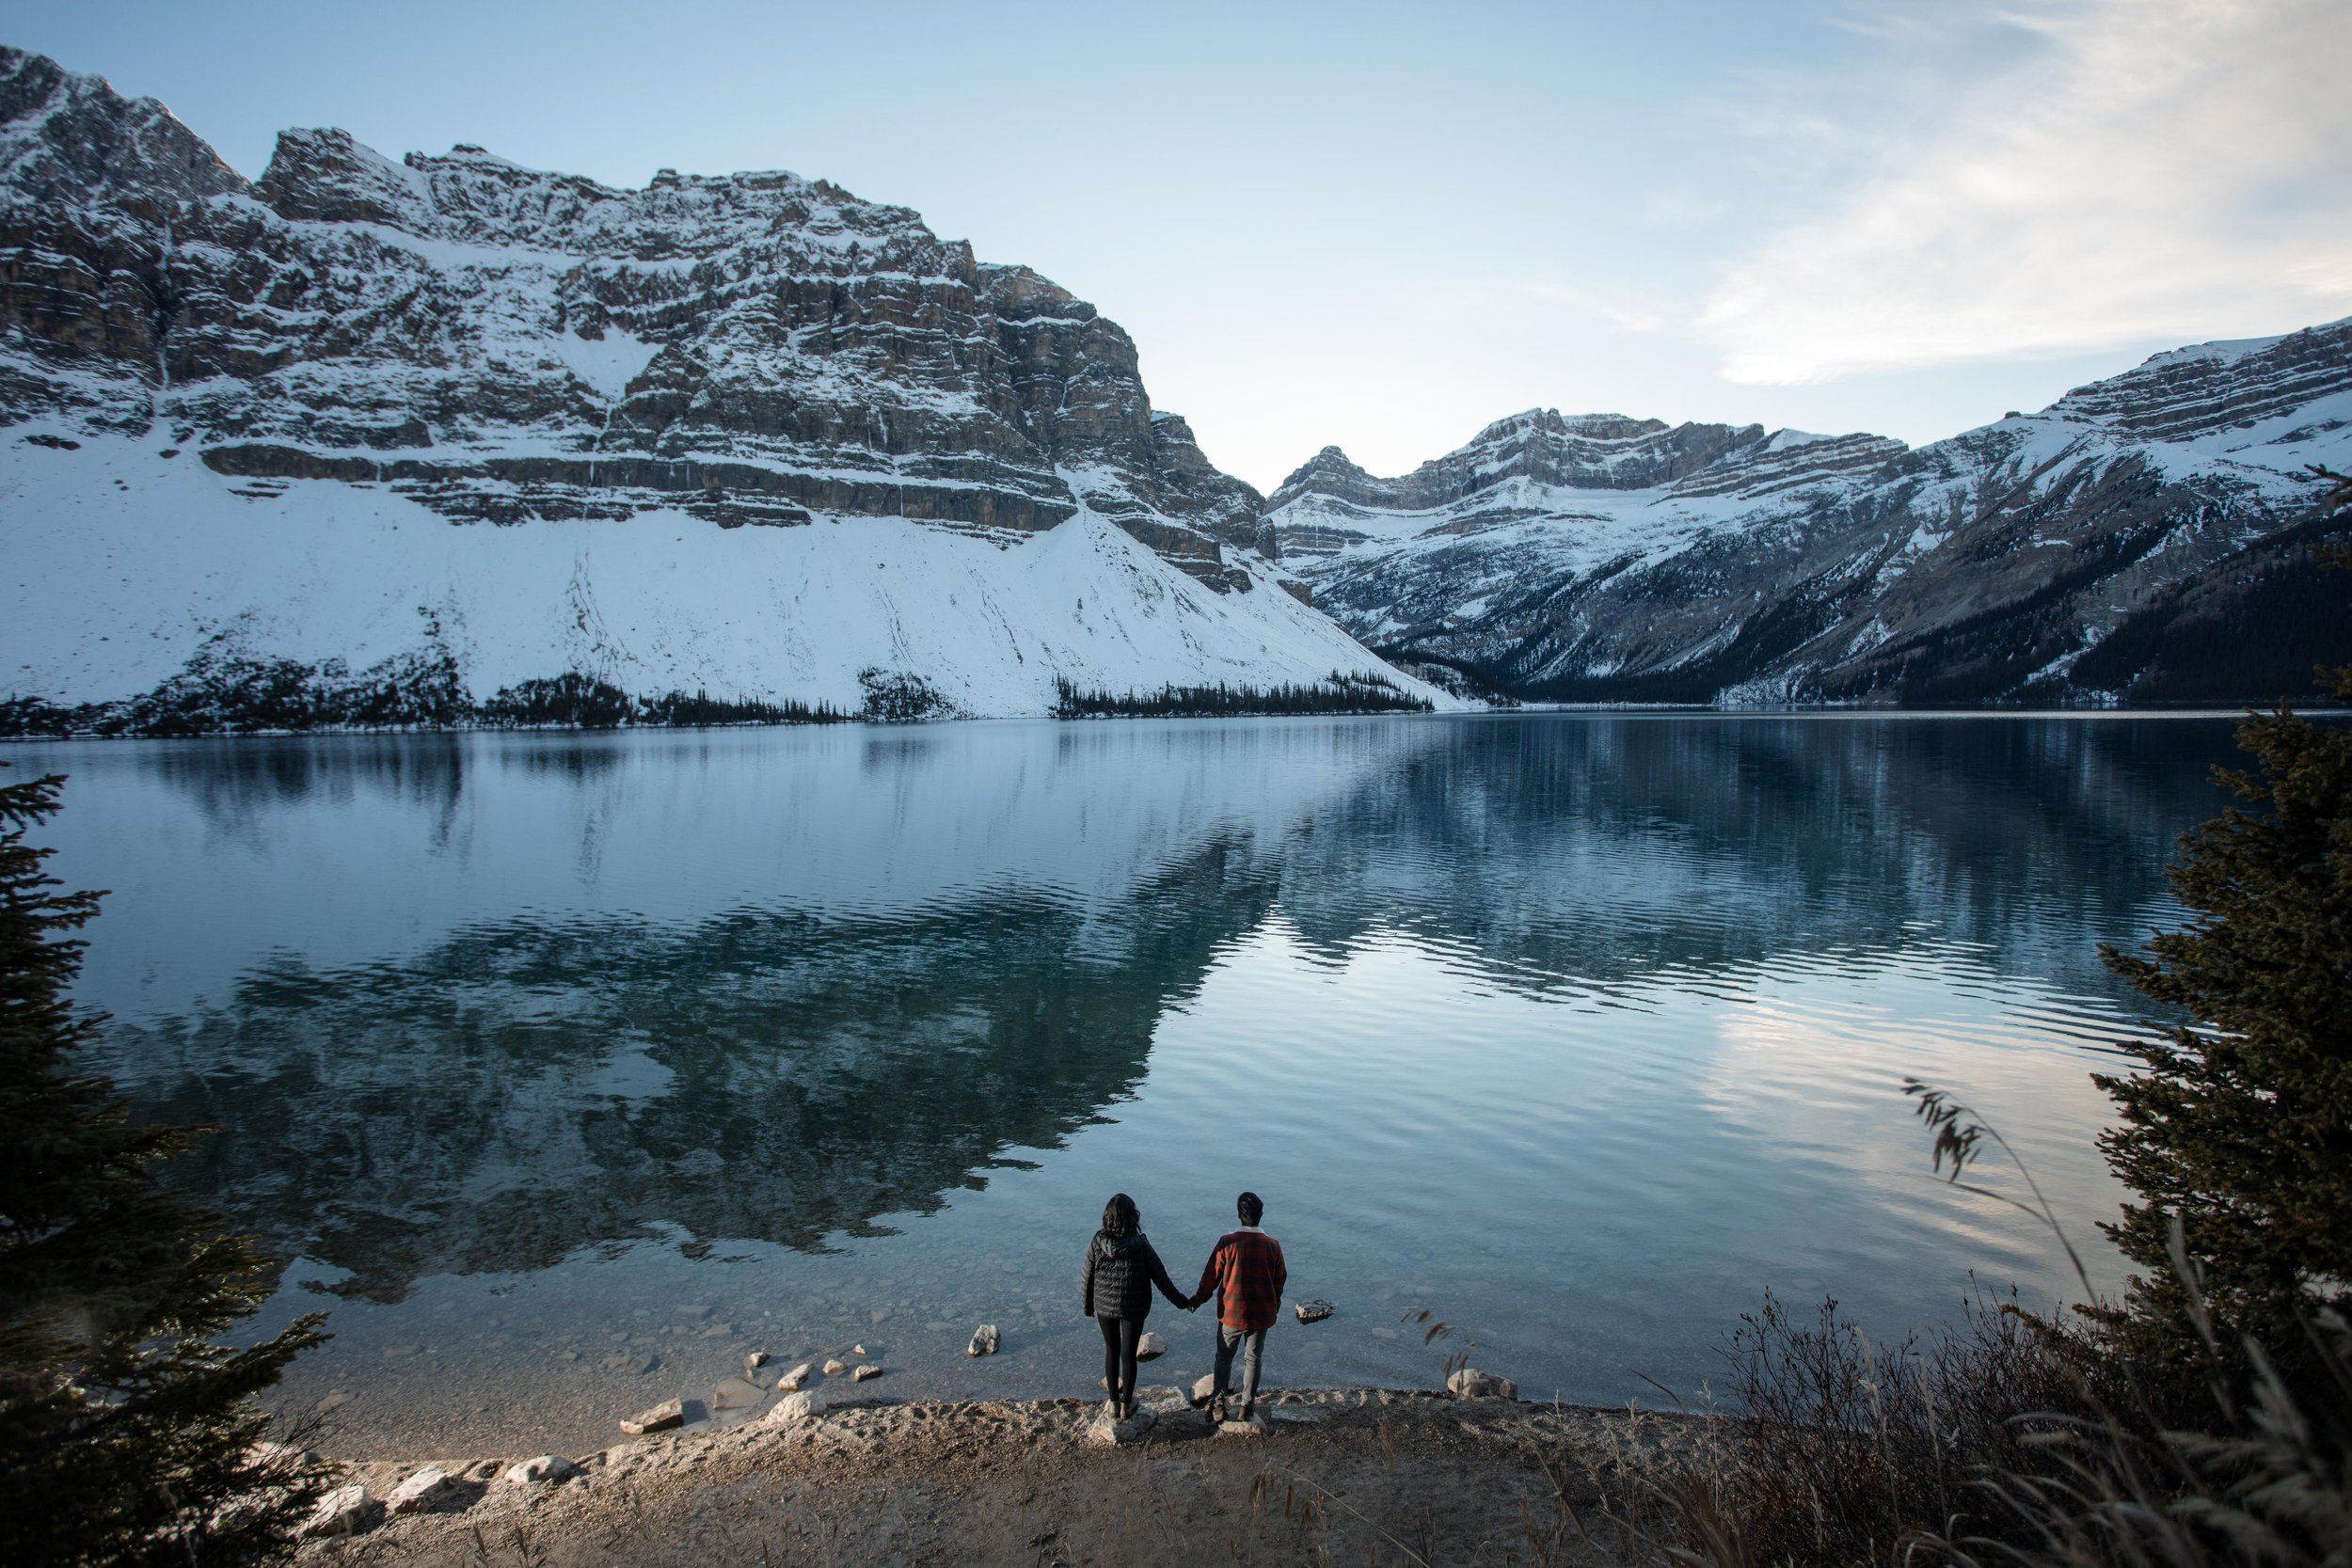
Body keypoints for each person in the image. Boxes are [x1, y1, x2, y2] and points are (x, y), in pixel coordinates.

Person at [1081, 1192, 1193, 1420]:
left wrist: (1087, 1307)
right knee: (1128, 1354)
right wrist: (1183, 1302)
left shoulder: (1097, 1241)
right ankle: (1127, 1404)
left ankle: (1113, 1403)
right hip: (1134, 1307)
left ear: (1107, 1218)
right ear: (1133, 1217)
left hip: (1104, 1305)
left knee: (1111, 1350)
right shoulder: (1141, 1244)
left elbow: (1087, 1277)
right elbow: (1161, 1278)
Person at [1188, 1190, 1286, 1424]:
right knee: (1253, 1359)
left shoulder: (1227, 1243)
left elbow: (1210, 1277)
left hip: (1231, 1314)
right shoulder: (1273, 1246)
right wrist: (1275, 1306)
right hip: (1261, 1315)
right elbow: (1279, 1281)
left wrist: (1196, 1300)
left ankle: (1219, 1405)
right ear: (1260, 1215)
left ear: (1239, 1215)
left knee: (1223, 1358)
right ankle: (1246, 1406)